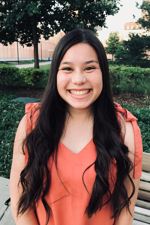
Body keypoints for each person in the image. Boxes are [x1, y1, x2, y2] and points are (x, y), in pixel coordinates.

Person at [10, 28, 143, 225]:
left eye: (89, 68)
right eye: (67, 69)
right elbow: (21, 201)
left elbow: (126, 211)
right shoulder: (32, 124)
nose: (79, 79)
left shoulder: (125, 129)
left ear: (103, 72)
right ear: (55, 73)